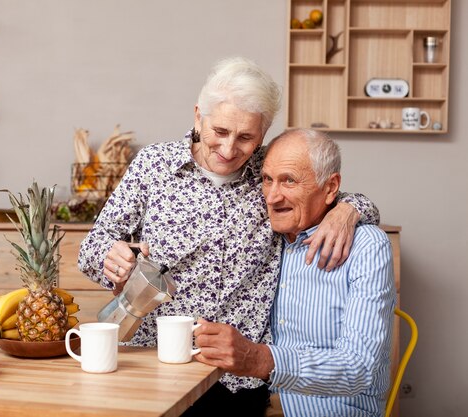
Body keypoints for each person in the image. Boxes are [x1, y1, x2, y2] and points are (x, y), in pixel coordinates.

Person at [78, 57, 380, 416]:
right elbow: (92, 247)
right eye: (220, 131)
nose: (229, 148)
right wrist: (111, 257)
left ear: (263, 135)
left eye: (246, 137)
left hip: (237, 379)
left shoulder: (270, 173)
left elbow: (336, 194)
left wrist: (350, 210)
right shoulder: (154, 165)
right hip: (153, 361)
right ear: (197, 117)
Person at [194, 128, 396, 417]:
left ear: (330, 188)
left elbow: (358, 370)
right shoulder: (264, 238)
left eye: (289, 180)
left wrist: (258, 359)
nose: (273, 197)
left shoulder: (367, 247)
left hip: (329, 410)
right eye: (267, 180)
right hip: (250, 403)